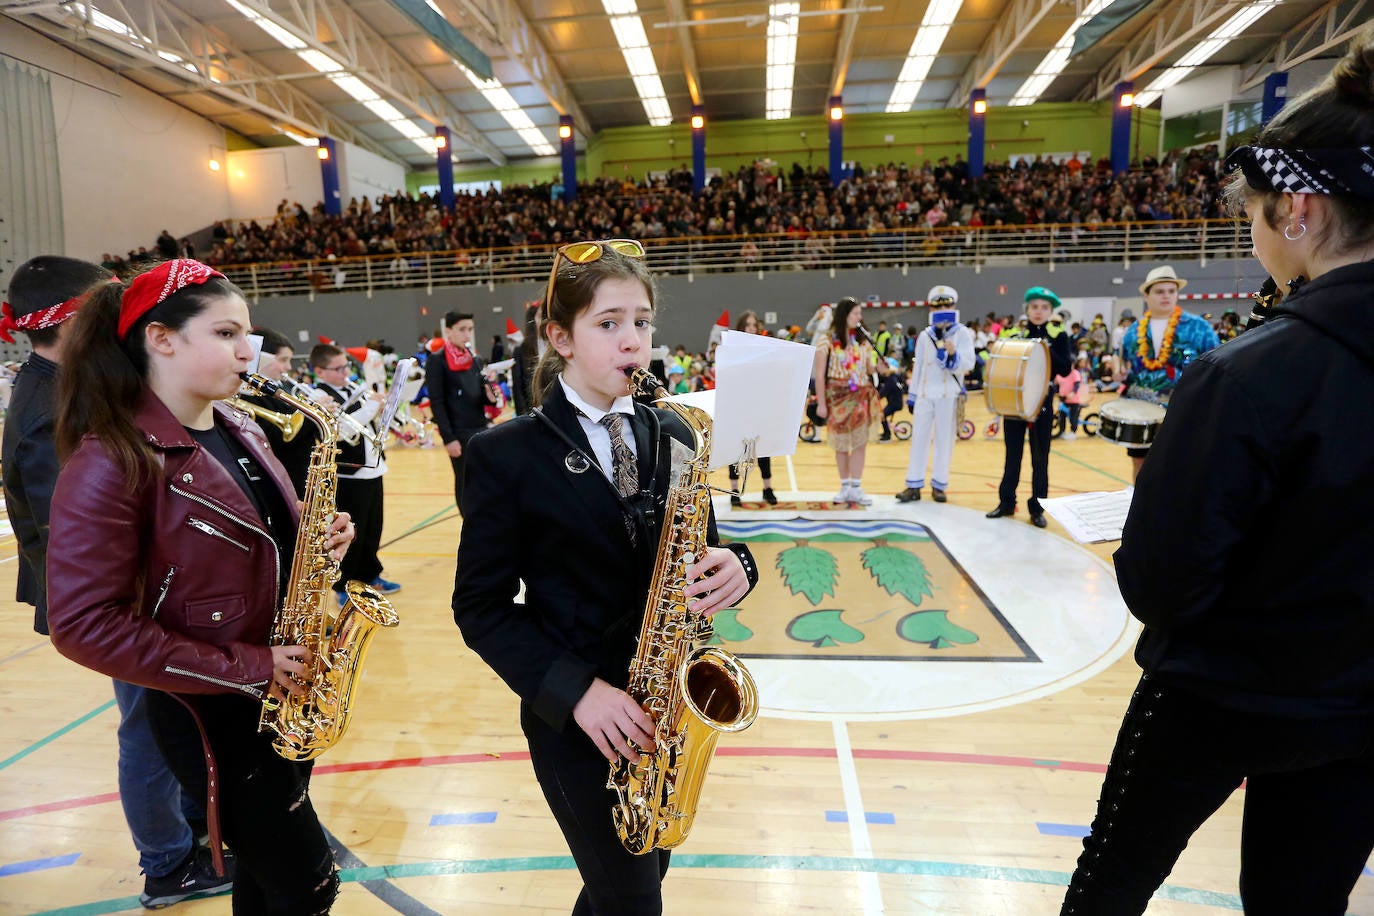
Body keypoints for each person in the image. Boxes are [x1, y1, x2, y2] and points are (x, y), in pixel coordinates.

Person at [1062, 31, 1374, 914]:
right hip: (1358, 708)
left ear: (1301, 211)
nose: (1252, 230)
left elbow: (1165, 584)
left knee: (1111, 883)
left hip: (1218, 692)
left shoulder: (1246, 373)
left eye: (1255, 211)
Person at [452, 239, 759, 915]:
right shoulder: (504, 454)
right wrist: (580, 693)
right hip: (578, 720)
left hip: (666, 713)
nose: (633, 342)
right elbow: (480, 607)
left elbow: (699, 544)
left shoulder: (676, 433)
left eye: (642, 322)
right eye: (608, 323)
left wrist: (738, 564)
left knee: (624, 890)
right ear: (561, 337)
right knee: (632, 901)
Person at [45, 258, 354, 914]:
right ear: (162, 339)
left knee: (267, 882)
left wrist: (315, 542)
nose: (250, 351)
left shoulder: (238, 427)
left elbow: (256, 543)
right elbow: (83, 625)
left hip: (279, 694)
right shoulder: (111, 460)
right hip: (212, 712)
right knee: (307, 883)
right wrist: (253, 665)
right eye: (226, 334)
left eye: (248, 335)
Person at [0, 256, 230, 909]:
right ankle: (167, 863)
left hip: (148, 592)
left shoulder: (75, 384)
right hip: (120, 607)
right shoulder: (49, 409)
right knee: (151, 726)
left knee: (179, 718)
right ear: (74, 320)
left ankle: (200, 838)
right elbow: (80, 537)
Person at [310, 343, 400, 599]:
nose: (344, 372)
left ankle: (371, 574)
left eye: (346, 366)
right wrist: (371, 407)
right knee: (351, 533)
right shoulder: (318, 395)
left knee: (373, 528)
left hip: (373, 467)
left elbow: (367, 423)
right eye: (337, 368)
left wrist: (384, 409)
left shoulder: (353, 389)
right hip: (349, 473)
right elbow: (339, 430)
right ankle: (343, 584)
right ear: (319, 371)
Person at [1118, 265, 1220, 479]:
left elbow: (1216, 366)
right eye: (1159, 291)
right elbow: (1128, 369)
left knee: (1179, 465)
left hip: (1182, 410)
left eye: (1171, 291)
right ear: (1146, 295)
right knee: (1140, 463)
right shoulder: (1133, 331)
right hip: (1142, 410)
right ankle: (1142, 511)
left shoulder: (1198, 328)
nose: (1166, 296)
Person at [986, 286, 1073, 528]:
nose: (1039, 311)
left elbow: (1065, 368)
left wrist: (1045, 347)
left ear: (1050, 311)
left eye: (1044, 307)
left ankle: (1037, 509)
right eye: (1034, 306)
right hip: (1016, 404)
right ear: (1027, 309)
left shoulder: (1059, 336)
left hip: (1042, 404)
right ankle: (1006, 503)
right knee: (1012, 456)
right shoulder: (1015, 335)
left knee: (1040, 459)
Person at [896, 286, 975, 504]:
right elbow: (919, 365)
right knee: (918, 439)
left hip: (947, 394)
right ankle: (913, 484)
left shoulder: (962, 333)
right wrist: (912, 396)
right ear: (932, 308)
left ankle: (939, 485)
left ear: (954, 307)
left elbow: (969, 363)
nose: (943, 309)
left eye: (947, 305)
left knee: (944, 440)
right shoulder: (925, 335)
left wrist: (953, 353)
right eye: (938, 306)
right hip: (924, 393)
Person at [813, 297, 885, 506]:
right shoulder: (827, 340)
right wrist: (821, 403)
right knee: (842, 444)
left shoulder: (863, 340)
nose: (859, 317)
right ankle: (844, 485)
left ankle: (856, 486)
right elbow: (819, 374)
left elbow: (870, 369)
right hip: (837, 397)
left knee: (860, 442)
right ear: (845, 315)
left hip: (861, 394)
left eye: (860, 314)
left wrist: (879, 365)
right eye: (856, 313)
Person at [425, 311, 494, 510]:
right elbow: (437, 401)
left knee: (482, 478)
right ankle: (469, 522)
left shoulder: (474, 358)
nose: (467, 334)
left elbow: (478, 393)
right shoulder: (437, 360)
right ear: (448, 331)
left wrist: (489, 395)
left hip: (479, 426)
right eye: (462, 329)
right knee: (465, 482)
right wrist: (448, 438)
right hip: (459, 432)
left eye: (470, 330)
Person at [240, 327, 317, 497]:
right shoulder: (249, 395)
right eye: (283, 360)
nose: (288, 367)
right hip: (283, 479)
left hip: (302, 473)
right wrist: (312, 414)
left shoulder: (283, 387)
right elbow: (275, 437)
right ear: (262, 357)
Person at [727, 310, 778, 506]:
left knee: (762, 446)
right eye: (747, 325)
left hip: (759, 403)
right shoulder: (732, 349)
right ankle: (734, 489)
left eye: (753, 325)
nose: (751, 328)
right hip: (738, 403)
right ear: (741, 327)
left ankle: (767, 487)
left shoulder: (763, 349)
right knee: (737, 447)